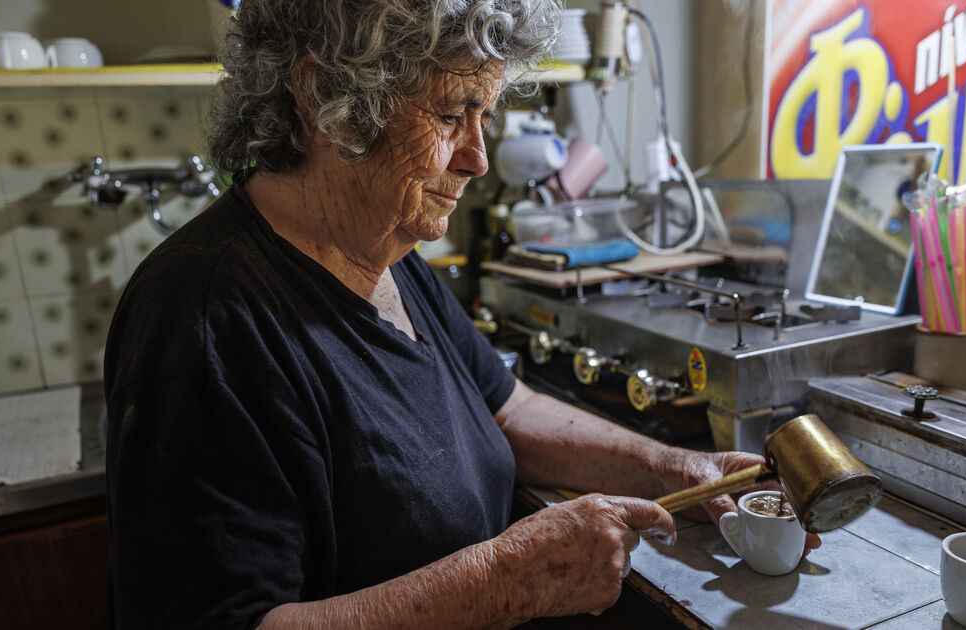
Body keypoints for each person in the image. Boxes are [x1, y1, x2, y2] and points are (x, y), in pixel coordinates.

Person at [103, 1, 820, 628]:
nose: (478, 157)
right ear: (325, 97)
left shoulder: (388, 253)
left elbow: (506, 408)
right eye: (451, 113)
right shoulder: (202, 323)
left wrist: (674, 468)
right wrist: (506, 583)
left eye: (486, 113)